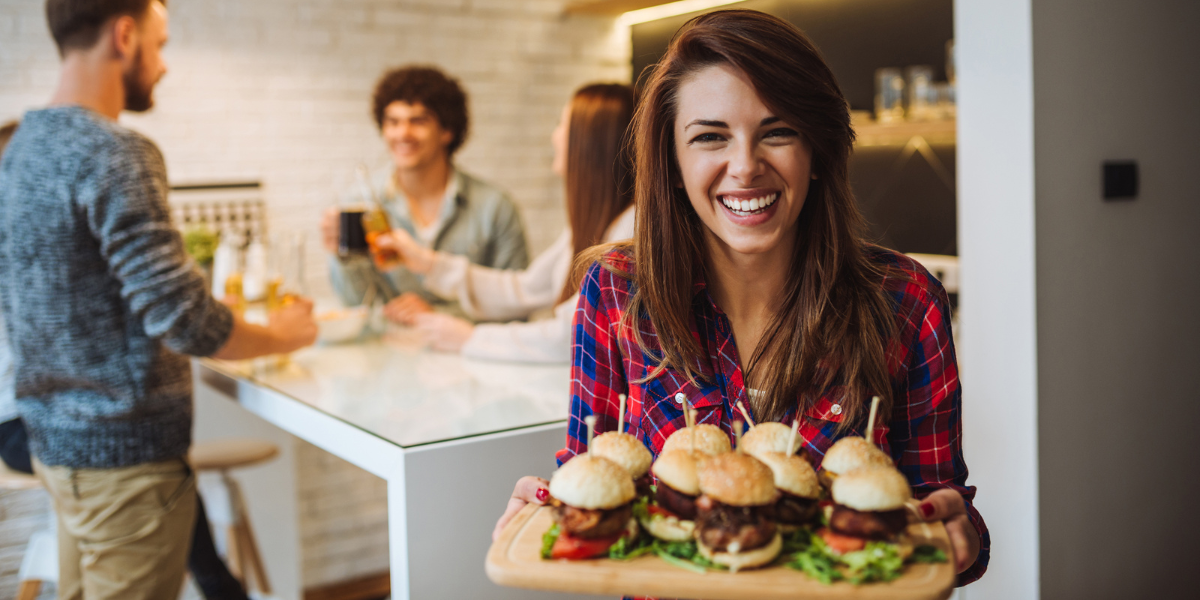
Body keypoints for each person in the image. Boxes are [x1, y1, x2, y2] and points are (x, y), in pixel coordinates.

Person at [492, 9, 989, 586]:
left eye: (778, 132)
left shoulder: (906, 301)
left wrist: (958, 533)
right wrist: (557, 505)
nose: (746, 167)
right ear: (673, 163)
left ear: (818, 150)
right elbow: (594, 473)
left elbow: (944, 514)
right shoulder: (614, 293)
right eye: (710, 137)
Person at [0, 2, 317, 598]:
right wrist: (287, 334)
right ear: (124, 35)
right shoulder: (116, 152)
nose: (165, 65)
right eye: (160, 43)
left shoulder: (19, 150)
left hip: (57, 452)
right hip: (124, 465)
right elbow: (188, 321)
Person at [374, 83, 636, 362]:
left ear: (592, 141)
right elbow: (528, 289)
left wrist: (469, 337)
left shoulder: (630, 231)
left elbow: (570, 335)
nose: (554, 136)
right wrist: (428, 264)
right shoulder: (595, 223)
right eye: (393, 122)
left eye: (562, 124)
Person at [320, 66, 529, 323]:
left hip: (471, 355)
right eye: (392, 122)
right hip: (392, 353)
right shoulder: (360, 205)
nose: (402, 134)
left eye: (418, 121)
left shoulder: (495, 208)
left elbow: (520, 304)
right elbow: (358, 305)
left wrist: (439, 317)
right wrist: (342, 257)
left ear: (447, 131)